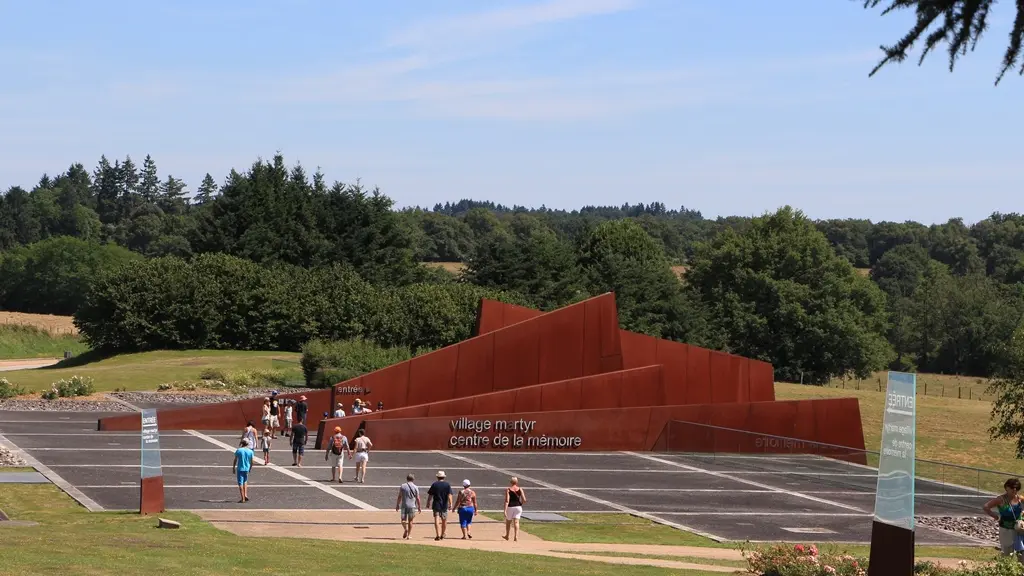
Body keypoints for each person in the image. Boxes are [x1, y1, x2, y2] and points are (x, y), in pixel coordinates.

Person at [984, 477, 1024, 560]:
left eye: (1017, 488)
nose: (1014, 490)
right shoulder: (1000, 499)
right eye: (1012, 488)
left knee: (1022, 554)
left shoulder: (1020, 498)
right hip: (1006, 530)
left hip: (1020, 530)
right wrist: (996, 517)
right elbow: (986, 507)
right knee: (1007, 555)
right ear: (1007, 487)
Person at [426, 470, 453, 541]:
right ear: (443, 477)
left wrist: (428, 502)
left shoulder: (434, 484)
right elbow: (449, 495)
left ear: (437, 477)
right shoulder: (447, 485)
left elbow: (430, 495)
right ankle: (442, 534)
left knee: (436, 519)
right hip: (444, 505)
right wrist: (451, 503)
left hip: (436, 504)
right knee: (444, 520)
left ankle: (437, 534)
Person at [396, 474, 422, 540]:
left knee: (403, 520)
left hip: (404, 505)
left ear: (407, 479)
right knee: (411, 521)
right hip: (412, 506)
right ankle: (409, 535)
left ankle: (405, 529)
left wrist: (397, 504)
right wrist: (419, 506)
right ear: (413, 479)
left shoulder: (403, 486)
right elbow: (418, 498)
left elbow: (400, 496)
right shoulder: (415, 487)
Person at [503, 476, 526, 542]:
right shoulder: (520, 489)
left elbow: (507, 500)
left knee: (508, 522)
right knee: (516, 522)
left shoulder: (508, 489)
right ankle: (516, 536)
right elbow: (524, 499)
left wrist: (505, 510)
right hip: (518, 507)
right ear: (517, 482)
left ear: (511, 482)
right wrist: (520, 503)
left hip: (510, 507)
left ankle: (507, 535)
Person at [232, 438, 254, 503]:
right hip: (247, 468)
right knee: (245, 481)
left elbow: (235, 460)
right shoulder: (250, 451)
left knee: (240, 483)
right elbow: (252, 461)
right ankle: (245, 495)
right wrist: (250, 468)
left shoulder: (239, 450)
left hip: (240, 468)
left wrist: (233, 467)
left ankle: (242, 498)